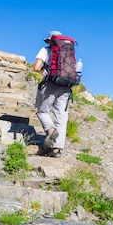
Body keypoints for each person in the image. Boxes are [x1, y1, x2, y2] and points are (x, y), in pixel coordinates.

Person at [33, 30, 73, 158]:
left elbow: (36, 67)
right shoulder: (68, 51)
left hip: (50, 83)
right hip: (66, 86)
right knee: (61, 117)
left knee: (42, 111)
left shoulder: (45, 50)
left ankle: (50, 130)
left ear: (50, 40)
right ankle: (56, 149)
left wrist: (46, 68)